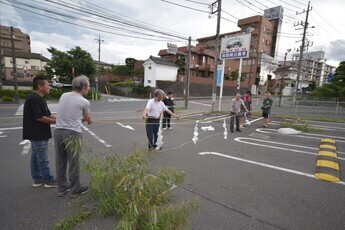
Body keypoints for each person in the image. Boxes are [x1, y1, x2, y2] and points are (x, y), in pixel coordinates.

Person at [54, 75, 93, 198]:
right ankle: (75, 188)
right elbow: (87, 119)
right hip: (72, 133)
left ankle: (62, 188)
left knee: (60, 160)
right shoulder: (84, 101)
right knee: (73, 161)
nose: (89, 89)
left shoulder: (64, 96)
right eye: (88, 86)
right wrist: (89, 120)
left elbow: (69, 112)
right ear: (84, 87)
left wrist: (79, 118)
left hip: (58, 131)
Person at [23, 76, 58, 188]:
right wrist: (57, 122)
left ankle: (38, 179)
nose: (49, 87)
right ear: (40, 86)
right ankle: (48, 180)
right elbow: (40, 117)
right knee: (43, 159)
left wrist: (60, 118)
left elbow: (48, 114)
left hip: (36, 133)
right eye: (47, 85)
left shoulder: (39, 98)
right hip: (37, 134)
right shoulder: (34, 99)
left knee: (35, 157)